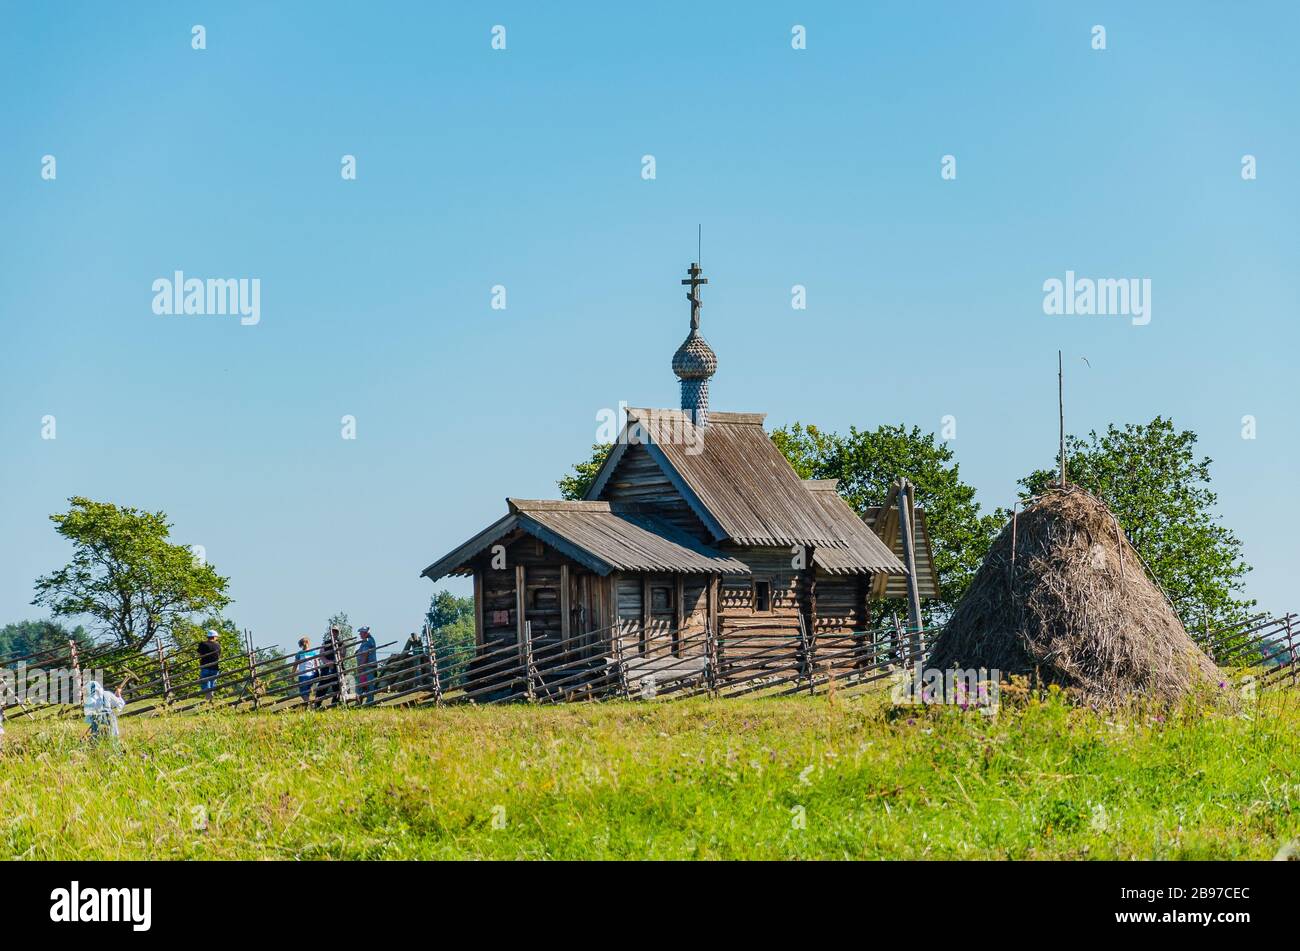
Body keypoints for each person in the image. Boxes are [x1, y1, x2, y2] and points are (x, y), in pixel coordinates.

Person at [316, 626, 340, 707]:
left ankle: (334, 705)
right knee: (322, 687)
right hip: (326, 668)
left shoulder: (341, 643)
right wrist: (327, 662)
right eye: (333, 631)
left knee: (337, 687)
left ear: (338, 633)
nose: (334, 633)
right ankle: (317, 704)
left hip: (338, 668)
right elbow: (321, 654)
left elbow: (343, 654)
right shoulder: (326, 643)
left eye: (335, 631)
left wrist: (335, 662)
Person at [355, 627, 378, 704]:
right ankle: (366, 701)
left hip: (366, 667)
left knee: (367, 685)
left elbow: (365, 654)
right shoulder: (368, 640)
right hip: (367, 666)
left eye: (361, 633)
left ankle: (368, 702)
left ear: (365, 633)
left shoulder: (367, 641)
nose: (360, 634)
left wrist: (361, 667)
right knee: (365, 685)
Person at [294, 636, 318, 704]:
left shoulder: (299, 653)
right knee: (306, 692)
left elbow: (295, 665)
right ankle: (308, 706)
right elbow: (317, 664)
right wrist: (317, 672)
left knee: (302, 693)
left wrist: (292, 674)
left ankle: (310, 704)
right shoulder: (313, 652)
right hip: (312, 674)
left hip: (303, 675)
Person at [197, 629, 221, 698]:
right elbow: (219, 655)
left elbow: (199, 654)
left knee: (205, 683)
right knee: (212, 684)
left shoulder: (203, 644)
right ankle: (211, 697)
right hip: (215, 667)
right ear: (214, 637)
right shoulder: (218, 645)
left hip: (205, 667)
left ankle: (208, 698)